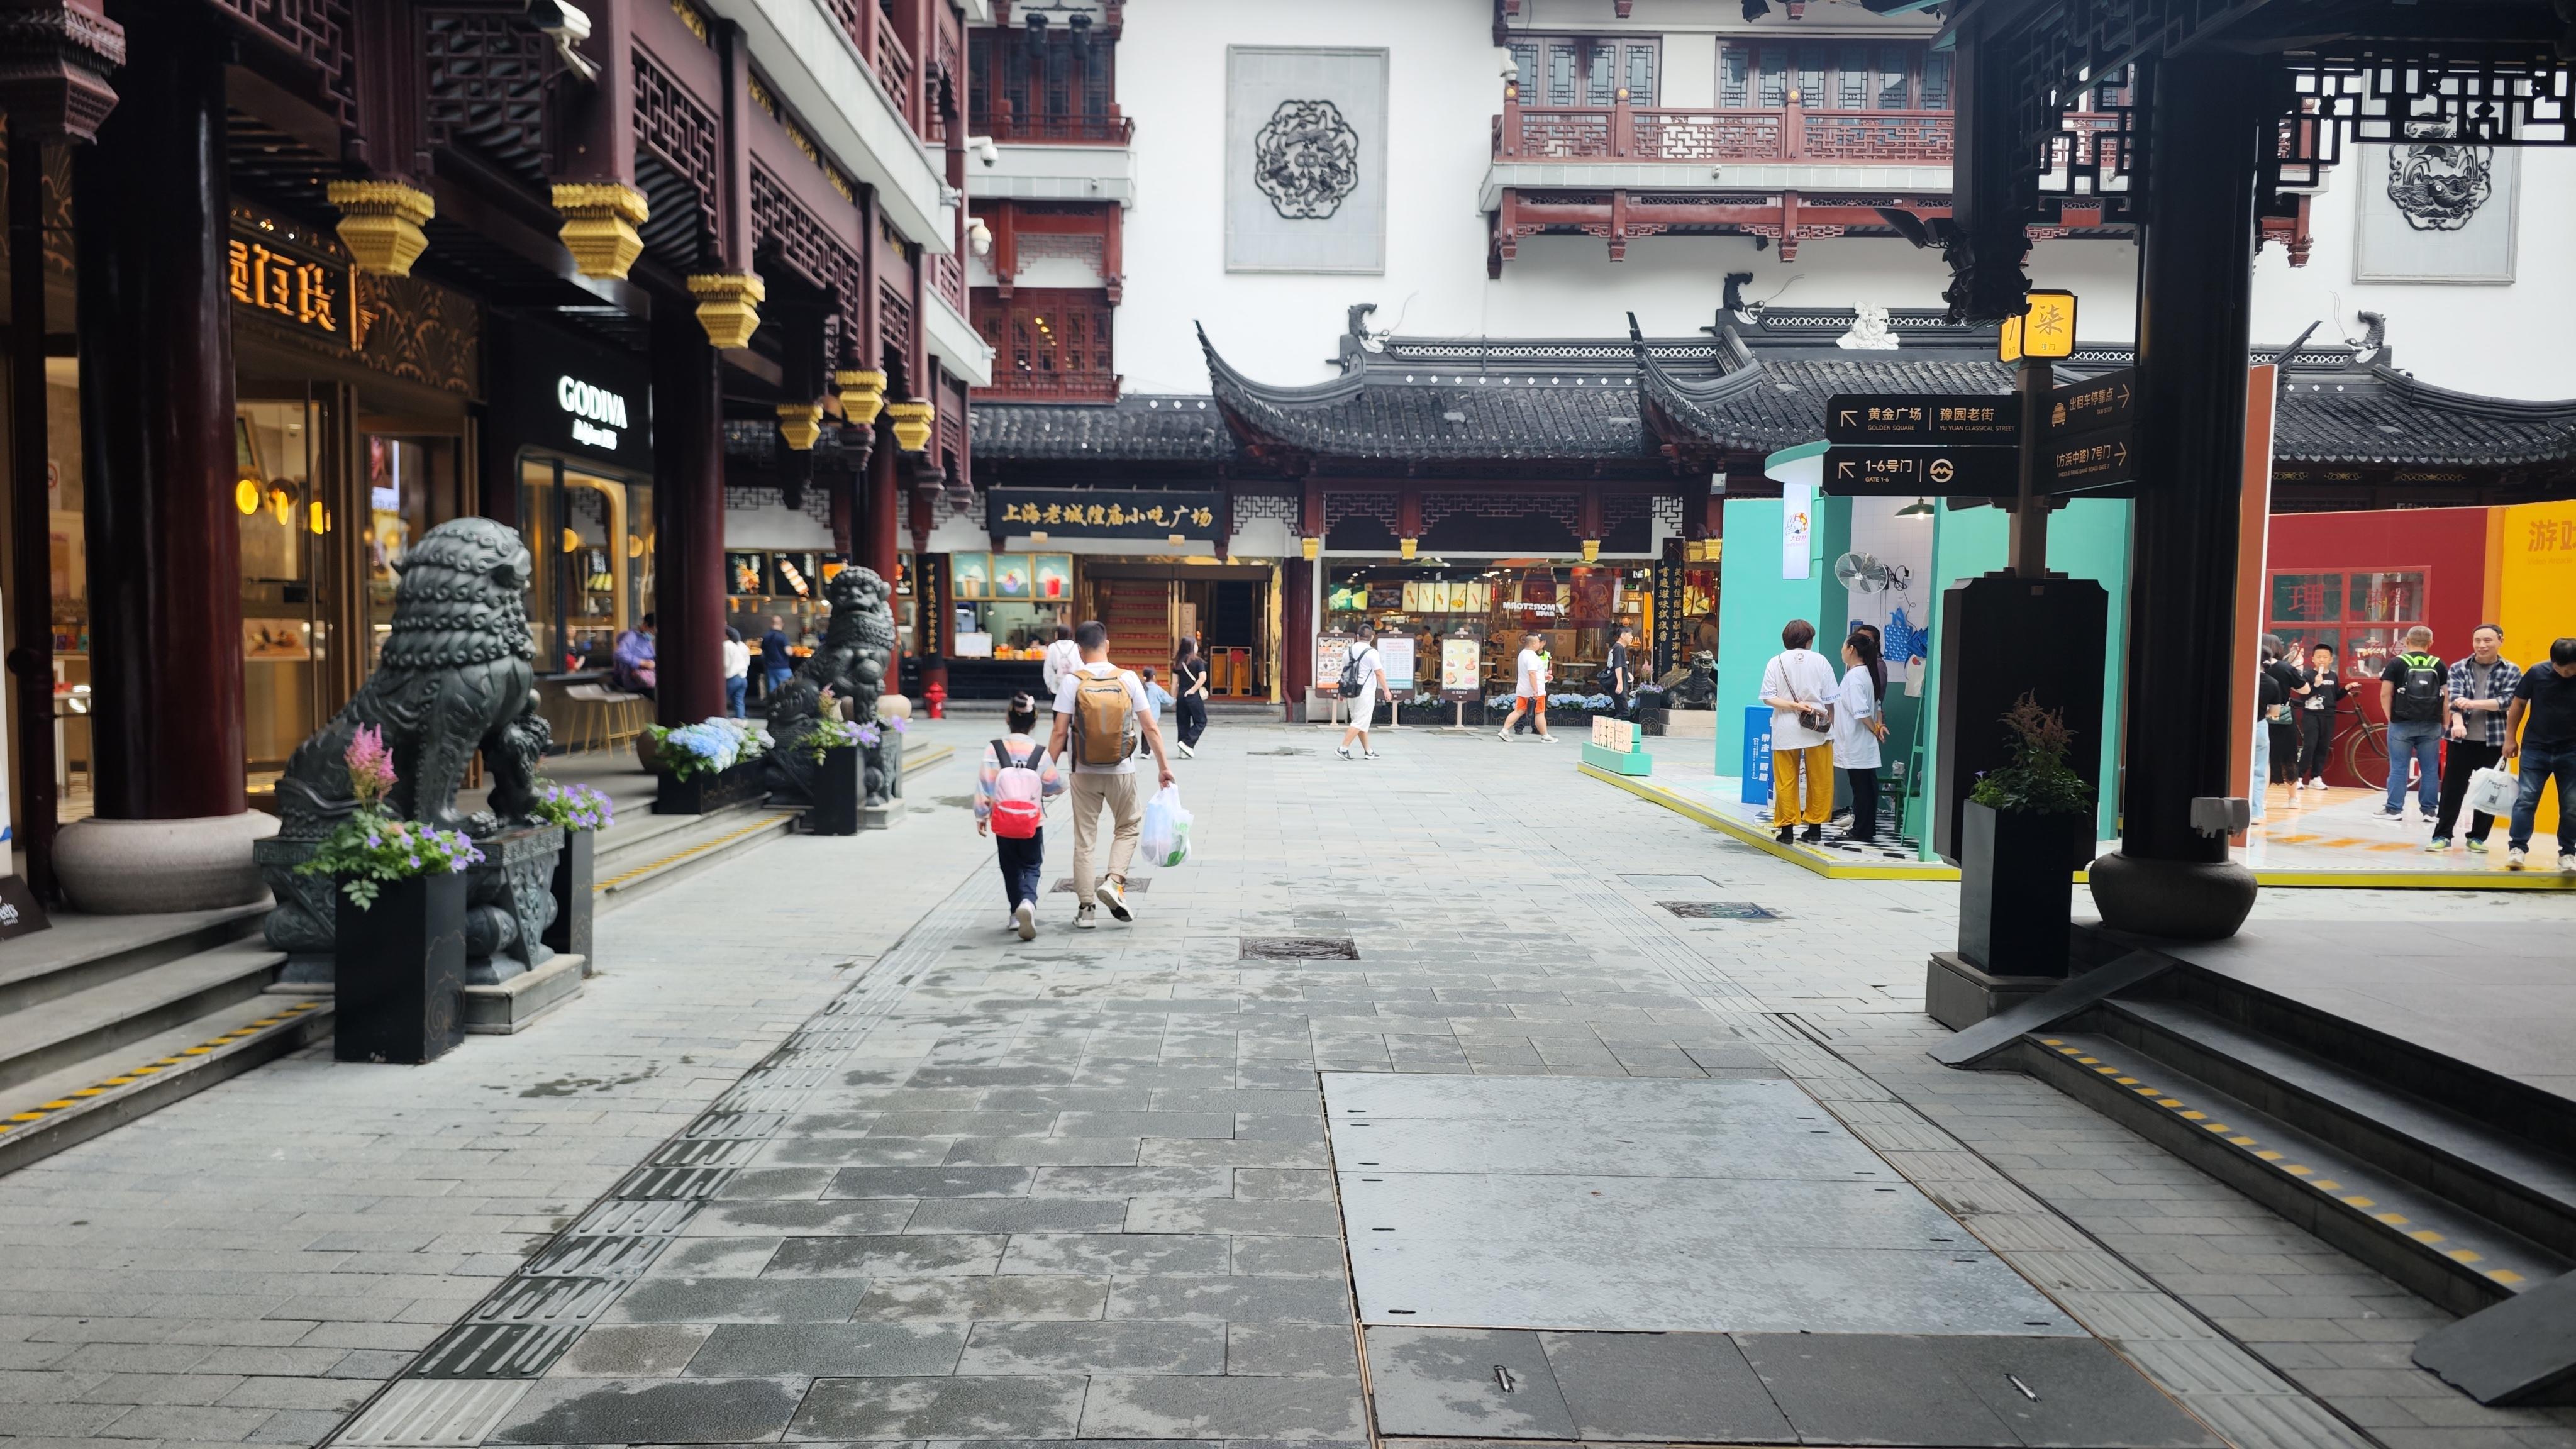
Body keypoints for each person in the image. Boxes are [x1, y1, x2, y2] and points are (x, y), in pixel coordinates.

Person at [1049, 621, 1177, 928]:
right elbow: (1151, 728)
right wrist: (1163, 767)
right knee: (1128, 826)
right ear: (1107, 645)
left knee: (1085, 840)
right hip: (1122, 768)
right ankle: (1114, 881)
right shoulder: (1128, 679)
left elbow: (1058, 732)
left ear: (1079, 650)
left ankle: (1086, 909)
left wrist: (1045, 771)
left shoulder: (1072, 682)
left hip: (1083, 771)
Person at [975, 692, 1066, 940]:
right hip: (1032, 820)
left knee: (1009, 866)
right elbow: (1055, 784)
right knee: (1032, 864)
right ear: (1034, 722)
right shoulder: (1039, 752)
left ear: (1008, 718)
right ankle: (1028, 901)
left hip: (1003, 820)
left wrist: (982, 815)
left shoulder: (994, 748)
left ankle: (1016, 913)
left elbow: (986, 784)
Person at [2431, 624, 2518, 853]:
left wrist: (2474, 703)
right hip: (2461, 740)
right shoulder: (2459, 667)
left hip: (2494, 740)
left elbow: (2507, 701)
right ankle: (2442, 835)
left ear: (2501, 640)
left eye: (2488, 640)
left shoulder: (2511, 670)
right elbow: (2454, 699)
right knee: (2452, 788)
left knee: (2489, 790)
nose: (2482, 645)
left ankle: (2478, 838)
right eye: (2477, 640)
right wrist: (2457, 722)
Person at [1758, 619, 1840, 844]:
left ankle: (1786, 831)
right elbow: (1832, 700)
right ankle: (1814, 829)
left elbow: (1768, 698)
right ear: (1808, 640)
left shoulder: (1776, 662)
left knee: (1785, 779)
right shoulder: (1821, 661)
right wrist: (1829, 722)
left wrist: (1794, 706)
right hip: (1817, 726)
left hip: (1785, 727)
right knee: (1820, 778)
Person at [2502, 637, 2576, 873]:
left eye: (2572, 668)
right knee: (2526, 799)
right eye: (2562, 668)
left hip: (2572, 750)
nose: (2567, 673)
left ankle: (2568, 853)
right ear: (2553, 662)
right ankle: (2518, 849)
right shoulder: (2536, 673)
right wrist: (2510, 738)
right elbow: (2518, 705)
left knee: (2572, 805)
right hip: (2536, 748)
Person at [2377, 626, 2448, 821]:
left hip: (2401, 723)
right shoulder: (2438, 664)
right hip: (2431, 723)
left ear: (2406, 641)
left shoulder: (2397, 663)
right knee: (2430, 768)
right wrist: (2446, 722)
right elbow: (2447, 696)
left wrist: (2391, 717)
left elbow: (2385, 693)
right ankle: (2429, 811)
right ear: (2431, 643)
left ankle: (2394, 810)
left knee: (2399, 767)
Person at [1827, 630, 1889, 845]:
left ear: (1851, 649)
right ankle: (1865, 827)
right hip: (1860, 742)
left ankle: (1862, 829)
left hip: (1856, 740)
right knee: (1867, 785)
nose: (1842, 652)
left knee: (1862, 786)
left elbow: (1861, 712)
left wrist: (1873, 728)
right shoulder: (1864, 673)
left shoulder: (1854, 676)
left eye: (1844, 647)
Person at [2294, 643, 2341, 792]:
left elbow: (2336, 696)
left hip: (2328, 715)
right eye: (2319, 657)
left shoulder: (2333, 675)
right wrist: (2315, 685)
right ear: (2313, 659)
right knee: (2310, 746)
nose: (2322, 660)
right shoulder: (2307, 675)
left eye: (2325, 657)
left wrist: (2347, 690)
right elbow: (2304, 695)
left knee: (2323, 746)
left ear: (2331, 659)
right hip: (2311, 714)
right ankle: (2298, 778)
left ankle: (2316, 778)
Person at [1338, 625, 1388, 760]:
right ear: (1372, 637)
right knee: (1359, 722)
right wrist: (1386, 690)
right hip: (1365, 692)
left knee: (1359, 721)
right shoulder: (1372, 653)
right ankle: (1343, 748)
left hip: (1350, 691)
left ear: (1357, 637)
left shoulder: (1347, 652)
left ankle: (1368, 751)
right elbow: (1379, 673)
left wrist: (1341, 693)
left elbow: (1344, 674)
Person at [2251, 640, 2286, 824]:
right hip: (2260, 726)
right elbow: (2275, 712)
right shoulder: (2272, 683)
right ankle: (2256, 811)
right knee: (2259, 770)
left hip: (2240, 726)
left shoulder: (2241, 677)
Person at [1497, 632, 1555, 742]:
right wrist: (1536, 690)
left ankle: (1504, 731)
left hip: (1522, 689)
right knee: (1540, 713)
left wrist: (1543, 676)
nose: (1540, 644)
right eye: (1538, 642)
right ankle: (1545, 736)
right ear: (1534, 644)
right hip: (1534, 691)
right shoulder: (1532, 656)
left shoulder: (1523, 654)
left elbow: (1532, 673)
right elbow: (1532, 673)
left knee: (1518, 711)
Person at [2263, 635, 2302, 788]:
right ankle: (2293, 798)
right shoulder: (2286, 668)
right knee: (2288, 758)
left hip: (2259, 716)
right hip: (2282, 716)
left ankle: (2262, 799)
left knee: (2263, 759)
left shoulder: (2253, 666)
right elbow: (2304, 689)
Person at [1172, 637, 1211, 758]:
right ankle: (1187, 743)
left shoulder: (1178, 663)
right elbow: (1203, 678)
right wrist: (1193, 690)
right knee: (1201, 721)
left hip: (1181, 697)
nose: (1197, 647)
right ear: (1191, 647)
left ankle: (1182, 752)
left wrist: (1174, 698)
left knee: (1183, 723)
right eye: (1195, 645)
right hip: (1193, 696)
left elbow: (1174, 683)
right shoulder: (1198, 662)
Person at [612, 613, 657, 697]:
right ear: (645, 625)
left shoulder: (646, 639)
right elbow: (619, 654)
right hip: (636, 680)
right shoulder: (632, 636)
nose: (653, 634)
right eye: (653, 630)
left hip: (649, 678)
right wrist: (641, 662)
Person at [1138, 666, 1175, 755]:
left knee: (1145, 730)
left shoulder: (1141, 688)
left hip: (1142, 714)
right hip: (1153, 715)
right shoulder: (1157, 688)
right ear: (1154, 677)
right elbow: (1166, 699)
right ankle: (1147, 751)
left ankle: (1145, 750)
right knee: (1151, 731)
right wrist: (1173, 700)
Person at [1040, 623, 1082, 696]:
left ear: (1058, 634)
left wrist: (1048, 684)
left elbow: (1048, 667)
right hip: (1073, 685)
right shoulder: (1076, 647)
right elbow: (1080, 666)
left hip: (1056, 685)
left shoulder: (1052, 647)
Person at [720, 626, 751, 718]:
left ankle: (719, 722)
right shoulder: (742, 646)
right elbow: (747, 662)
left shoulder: (726, 645)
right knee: (739, 702)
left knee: (720, 701)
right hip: (743, 677)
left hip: (732, 678)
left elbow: (726, 663)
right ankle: (741, 723)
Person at [760, 615, 794, 696]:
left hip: (770, 668)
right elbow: (789, 652)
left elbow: (763, 650)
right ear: (781, 624)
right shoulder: (783, 636)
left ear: (771, 624)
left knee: (773, 691)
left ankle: (774, 707)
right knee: (789, 690)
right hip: (783, 668)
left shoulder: (766, 636)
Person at [1604, 627, 1635, 718]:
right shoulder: (1619, 648)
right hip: (1618, 684)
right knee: (1624, 713)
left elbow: (1619, 665)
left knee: (1620, 712)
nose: (1632, 637)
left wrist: (1627, 673)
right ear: (1622, 636)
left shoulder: (1617, 647)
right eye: (1629, 635)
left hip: (1616, 682)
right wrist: (1620, 683)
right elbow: (1618, 666)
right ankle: (1615, 730)